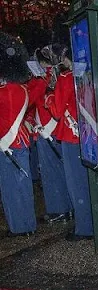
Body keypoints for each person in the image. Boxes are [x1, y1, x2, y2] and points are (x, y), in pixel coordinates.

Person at [44, 43, 94, 241]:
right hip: (87, 134)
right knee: (86, 183)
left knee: (77, 185)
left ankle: (85, 228)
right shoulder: (86, 74)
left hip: (71, 135)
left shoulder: (65, 79)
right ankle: (89, 223)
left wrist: (49, 93)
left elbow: (56, 111)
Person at [27, 46, 73, 224]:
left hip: (49, 130)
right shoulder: (48, 77)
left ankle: (59, 209)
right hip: (50, 129)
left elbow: (30, 99)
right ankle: (65, 208)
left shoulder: (44, 79)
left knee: (51, 173)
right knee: (58, 171)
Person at [0, 32, 36, 237]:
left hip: (9, 145)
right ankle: (26, 225)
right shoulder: (21, 89)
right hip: (20, 141)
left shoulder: (4, 92)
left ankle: (19, 227)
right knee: (22, 186)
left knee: (12, 189)